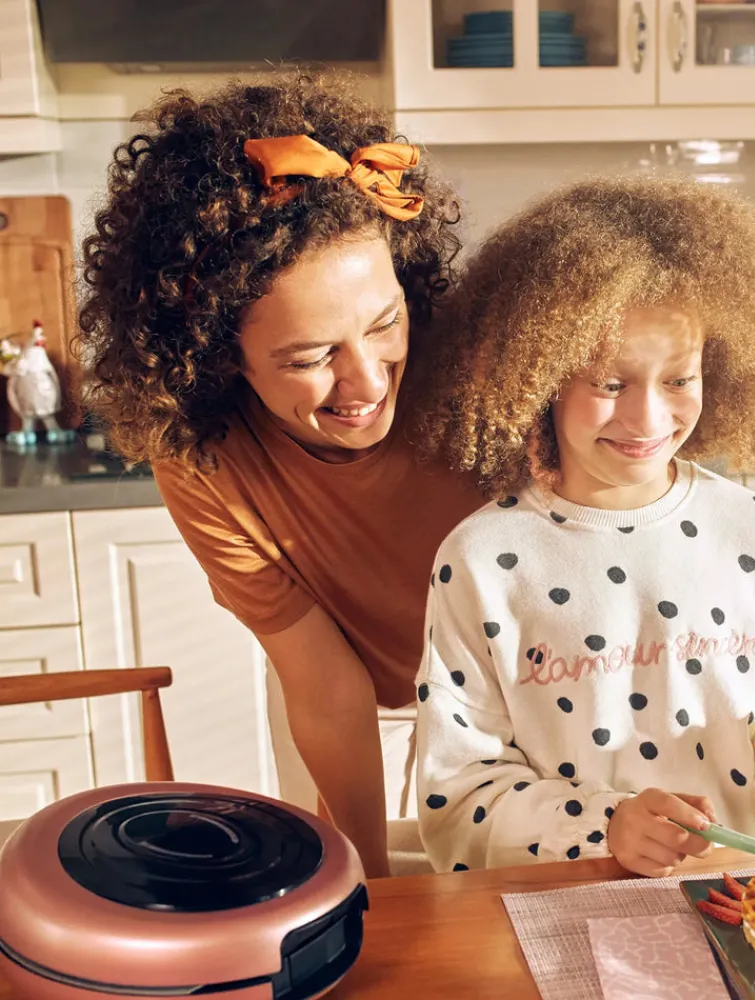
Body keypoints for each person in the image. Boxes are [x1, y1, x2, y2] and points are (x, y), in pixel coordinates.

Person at [413, 176, 755, 875]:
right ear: (538, 374)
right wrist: (604, 826)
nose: (648, 420)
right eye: (610, 383)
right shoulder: (484, 560)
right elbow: (458, 803)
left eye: (678, 379)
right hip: (564, 911)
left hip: (741, 910)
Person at [76, 72, 483, 877]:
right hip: (336, 698)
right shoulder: (202, 454)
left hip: (509, 693)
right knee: (347, 883)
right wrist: (370, 880)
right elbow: (325, 683)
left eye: (385, 323)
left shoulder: (483, 370)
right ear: (216, 356)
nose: (367, 383)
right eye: (309, 357)